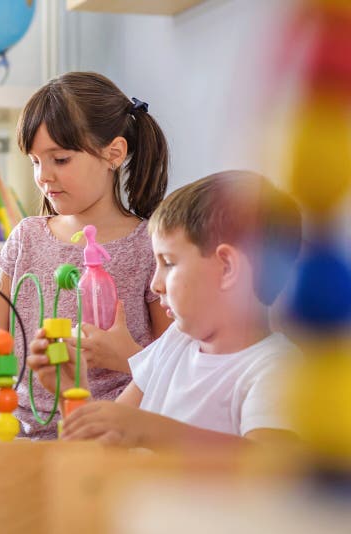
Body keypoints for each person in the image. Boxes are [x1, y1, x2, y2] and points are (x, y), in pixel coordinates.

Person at [0, 72, 172, 439]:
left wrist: (126, 356)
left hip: (110, 442)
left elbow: (174, 366)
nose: (44, 176)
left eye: (61, 159)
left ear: (113, 153)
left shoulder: (147, 245)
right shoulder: (27, 237)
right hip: (21, 438)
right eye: (36, 161)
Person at [30, 171, 303, 448]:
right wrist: (71, 392)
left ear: (227, 268)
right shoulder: (175, 342)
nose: (155, 284)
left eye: (169, 263)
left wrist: (150, 430)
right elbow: (104, 444)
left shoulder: (277, 370)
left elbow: (269, 466)